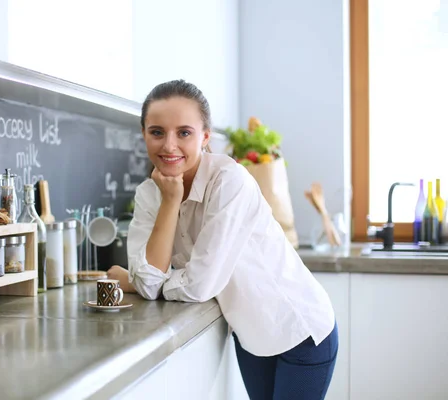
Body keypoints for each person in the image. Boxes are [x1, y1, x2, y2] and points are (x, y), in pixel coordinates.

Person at [107, 79, 338, 400]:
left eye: (184, 132)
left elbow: (198, 286)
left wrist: (147, 280)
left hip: (299, 331)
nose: (169, 145)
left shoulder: (230, 181)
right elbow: (148, 283)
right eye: (157, 132)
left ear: (204, 137)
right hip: (251, 336)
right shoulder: (150, 194)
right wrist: (171, 202)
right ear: (144, 133)